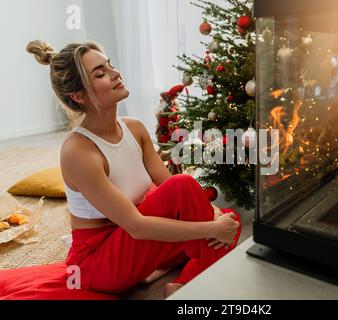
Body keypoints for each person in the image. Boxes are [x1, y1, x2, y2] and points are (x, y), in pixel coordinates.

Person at [26, 40, 241, 298]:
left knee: (229, 218)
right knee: (214, 224)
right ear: (79, 96)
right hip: (99, 262)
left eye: (110, 66)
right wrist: (210, 228)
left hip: (133, 239)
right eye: (100, 73)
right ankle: (190, 277)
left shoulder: (135, 128)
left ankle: (181, 285)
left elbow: (172, 186)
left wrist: (212, 214)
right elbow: (136, 226)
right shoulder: (78, 151)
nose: (115, 73)